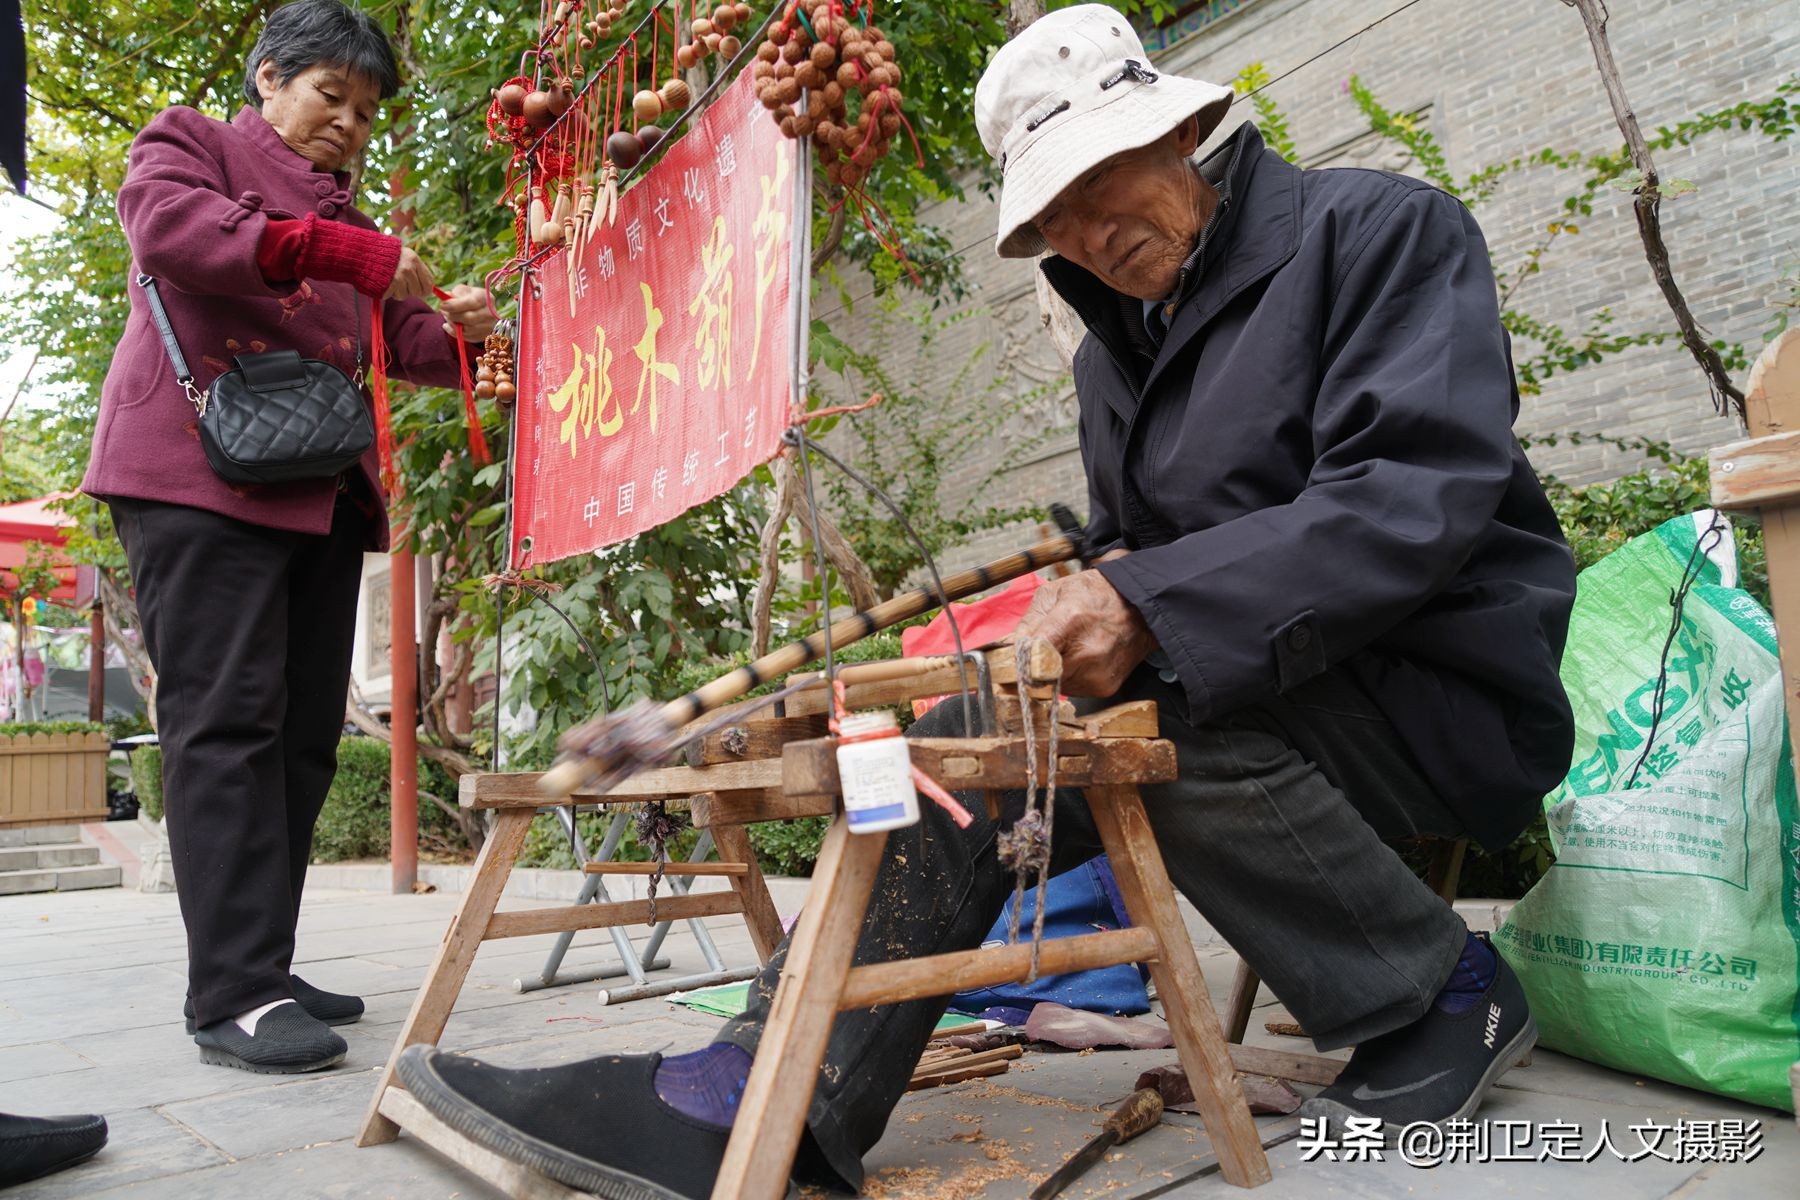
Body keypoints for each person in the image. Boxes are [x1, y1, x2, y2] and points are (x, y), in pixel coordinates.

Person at [394, 5, 1577, 1195]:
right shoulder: (1117, 352)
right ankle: (766, 1097)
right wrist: (1090, 589)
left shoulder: (1375, 235)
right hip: (1261, 691)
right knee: (964, 743)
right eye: (1056, 213)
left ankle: (1445, 995)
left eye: (1103, 181)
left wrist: (1143, 602)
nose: (1090, 232)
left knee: (1122, 709)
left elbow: (1405, 495)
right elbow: (1139, 545)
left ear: (1183, 132)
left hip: (1435, 694)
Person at [81, 0, 496, 1074]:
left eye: (366, 111)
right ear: (269, 76)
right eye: (330, 94)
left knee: (303, 738)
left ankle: (261, 961)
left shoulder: (343, 216)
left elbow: (402, 341)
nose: (348, 122)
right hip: (195, 476)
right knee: (224, 725)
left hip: (317, 490)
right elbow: (170, 232)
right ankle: (232, 994)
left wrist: (474, 333)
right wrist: (352, 250)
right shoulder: (193, 144)